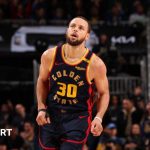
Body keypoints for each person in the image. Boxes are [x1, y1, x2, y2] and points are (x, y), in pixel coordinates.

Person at [36, 16, 110, 150]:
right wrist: (41, 108)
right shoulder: (49, 55)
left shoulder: (95, 64)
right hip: (51, 115)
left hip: (77, 118)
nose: (75, 29)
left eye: (81, 28)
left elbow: (104, 93)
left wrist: (98, 117)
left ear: (87, 36)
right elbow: (42, 80)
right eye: (73, 26)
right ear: (67, 30)